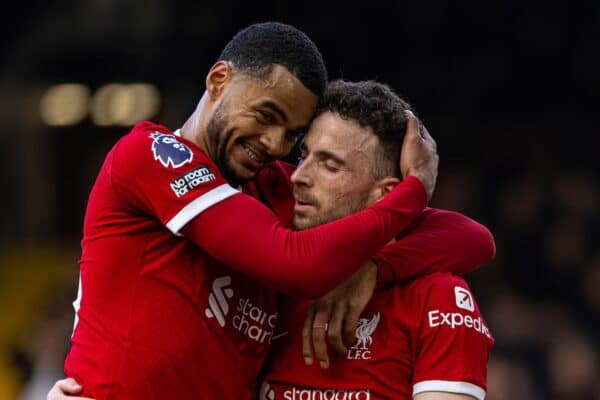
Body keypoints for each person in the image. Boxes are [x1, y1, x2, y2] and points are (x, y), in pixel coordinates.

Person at [57, 22, 442, 399]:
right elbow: (297, 265)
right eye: (266, 116)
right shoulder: (152, 156)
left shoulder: (269, 186)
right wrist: (416, 189)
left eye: (292, 134)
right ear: (219, 80)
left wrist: (373, 265)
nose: (275, 143)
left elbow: (470, 239)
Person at [260, 80, 495, 399]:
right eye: (303, 156)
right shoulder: (271, 271)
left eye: (329, 165)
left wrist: (370, 267)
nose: (299, 176)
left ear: (384, 195)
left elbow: (478, 239)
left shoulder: (439, 298)